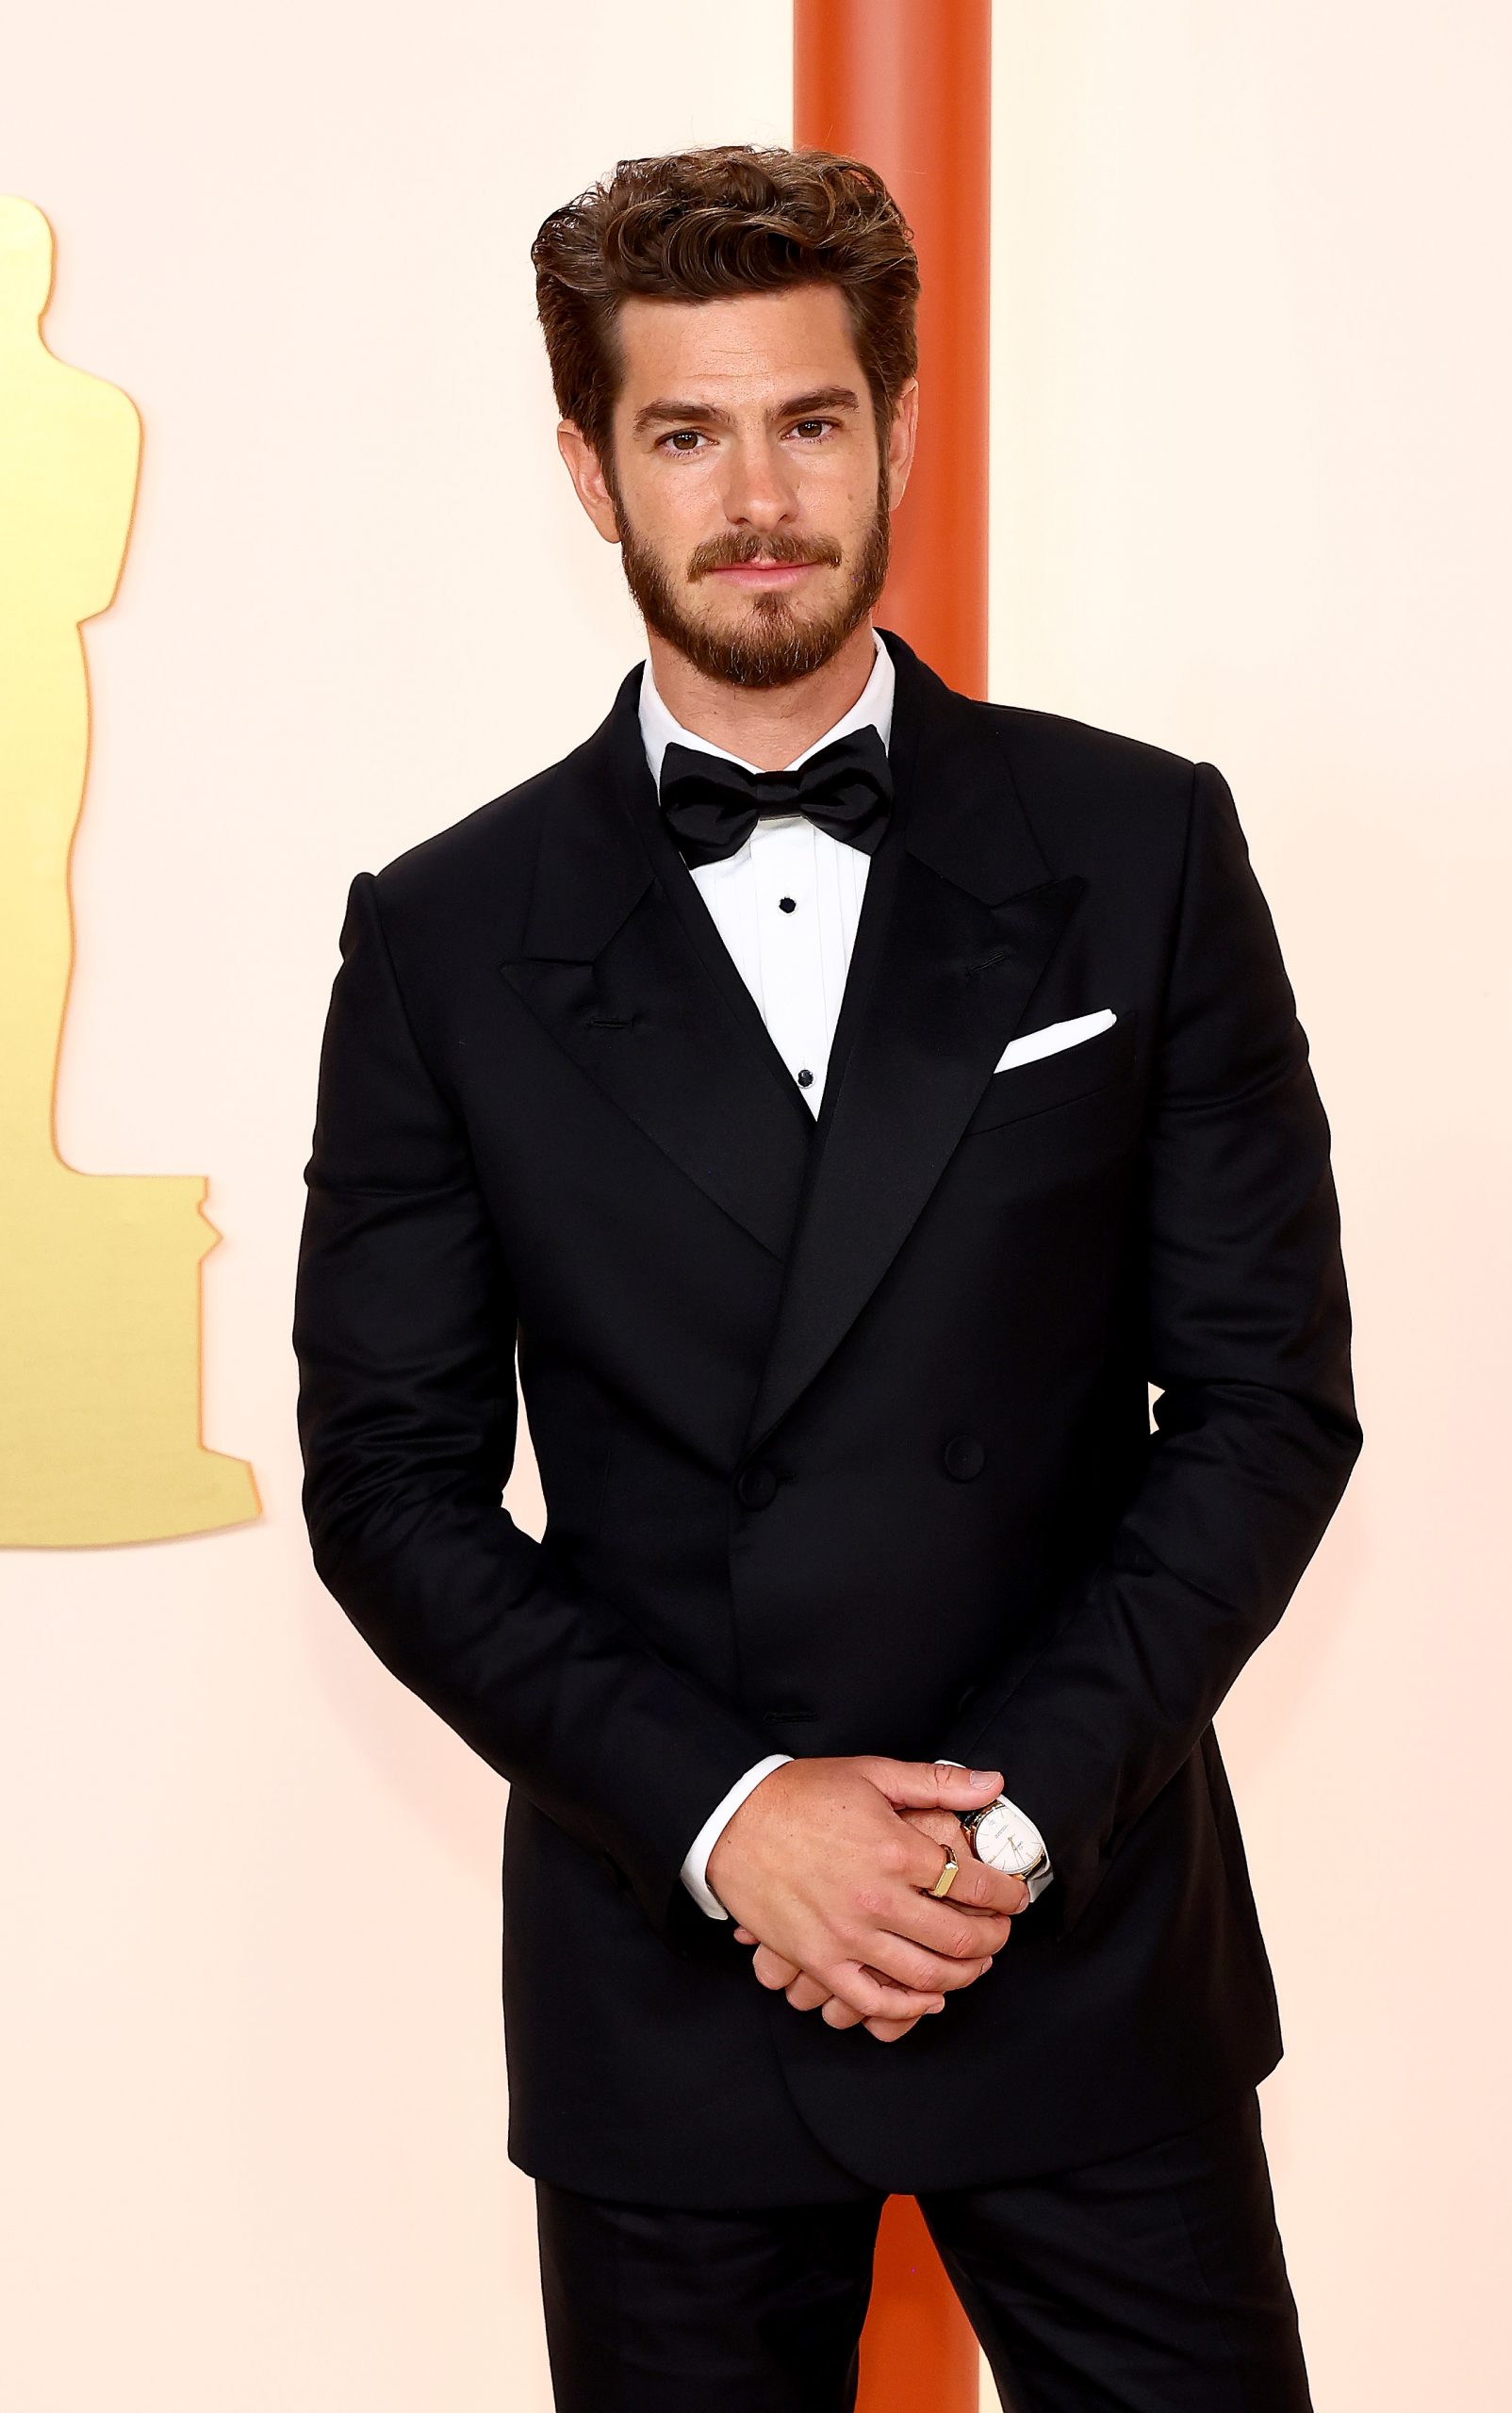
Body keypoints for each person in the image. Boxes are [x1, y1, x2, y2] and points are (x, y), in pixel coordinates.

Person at [293, 142, 1361, 2412]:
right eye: (685, 432)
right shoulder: (444, 934)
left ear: (897, 430)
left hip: (1078, 1927)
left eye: (805, 419)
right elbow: (387, 1483)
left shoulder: (1138, 842)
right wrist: (729, 1818)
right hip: (672, 1959)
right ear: (589, 468)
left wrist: (1001, 1823)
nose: (756, 496)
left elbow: (1263, 1399)